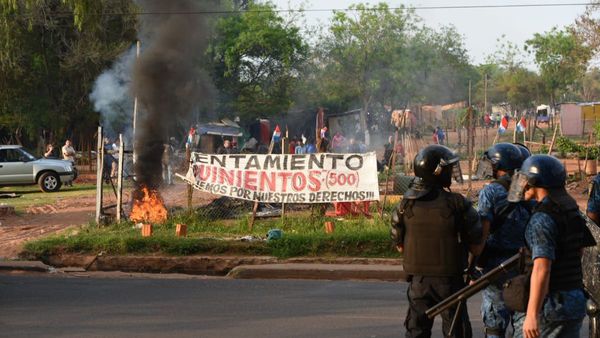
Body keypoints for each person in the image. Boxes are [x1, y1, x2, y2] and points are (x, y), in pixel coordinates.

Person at [391, 145, 484, 337]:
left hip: (418, 283)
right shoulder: (457, 203)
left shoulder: (404, 205)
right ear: (438, 172)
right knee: (456, 331)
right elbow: (476, 246)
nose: (451, 172)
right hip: (451, 283)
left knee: (416, 331)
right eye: (448, 168)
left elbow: (400, 246)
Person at [508, 155, 595, 338]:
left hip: (551, 307)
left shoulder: (543, 218)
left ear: (534, 182)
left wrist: (532, 315)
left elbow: (542, 268)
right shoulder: (571, 210)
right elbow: (578, 251)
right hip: (573, 301)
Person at [476, 143, 532, 338]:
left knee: (494, 327)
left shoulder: (490, 192)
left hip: (496, 268)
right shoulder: (531, 189)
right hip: (525, 266)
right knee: (523, 324)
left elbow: (481, 232)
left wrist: (473, 263)